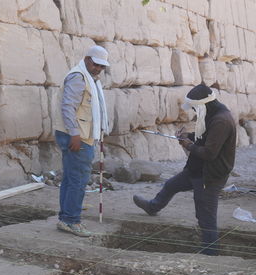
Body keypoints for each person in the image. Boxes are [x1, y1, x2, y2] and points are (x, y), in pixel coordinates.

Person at [133, 84, 236, 256]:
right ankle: (152, 207)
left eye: (195, 108)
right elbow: (205, 138)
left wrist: (189, 145)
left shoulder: (221, 121)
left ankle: (210, 252)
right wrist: (187, 136)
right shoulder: (212, 115)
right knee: (170, 185)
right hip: (196, 170)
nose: (194, 112)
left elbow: (209, 153)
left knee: (205, 216)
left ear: (203, 105)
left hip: (209, 176)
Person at [52, 45, 111, 237]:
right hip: (78, 136)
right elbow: (68, 107)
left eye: (102, 67)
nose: (98, 69)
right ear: (87, 59)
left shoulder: (90, 78)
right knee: (78, 179)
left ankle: (66, 219)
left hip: (82, 134)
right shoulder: (78, 77)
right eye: (96, 64)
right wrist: (74, 134)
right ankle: (71, 221)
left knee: (71, 178)